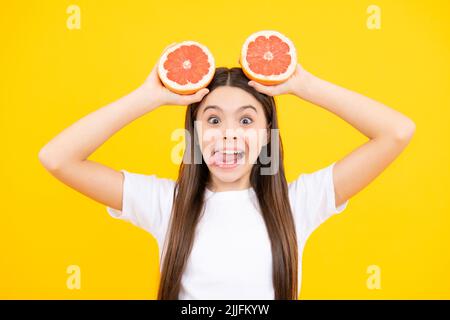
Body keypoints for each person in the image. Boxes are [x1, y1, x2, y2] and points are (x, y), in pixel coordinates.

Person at [38, 46, 415, 300]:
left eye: (246, 120)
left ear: (268, 135)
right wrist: (148, 96)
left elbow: (396, 132)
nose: (229, 133)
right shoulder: (162, 204)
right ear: (194, 134)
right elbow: (58, 158)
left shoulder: (299, 203)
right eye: (213, 119)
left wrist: (305, 85)